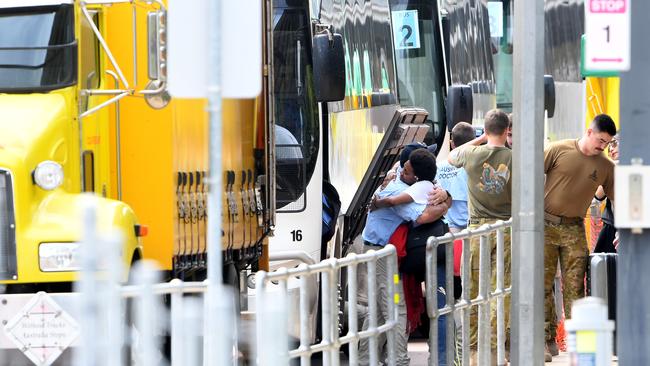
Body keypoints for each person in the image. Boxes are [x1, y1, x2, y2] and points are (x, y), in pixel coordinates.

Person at [359, 148, 450, 366]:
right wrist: (446, 202)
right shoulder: (399, 190)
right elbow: (425, 216)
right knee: (395, 307)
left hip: (385, 253)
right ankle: (399, 360)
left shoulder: (411, 186)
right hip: (382, 255)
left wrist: (446, 195)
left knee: (382, 310)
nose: (401, 173)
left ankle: (365, 359)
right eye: (403, 169)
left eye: (406, 171)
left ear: (416, 177)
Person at [542, 114, 616, 362]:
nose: (603, 146)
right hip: (545, 224)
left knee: (575, 287)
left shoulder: (605, 167)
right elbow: (529, 177)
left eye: (607, 143)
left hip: (574, 228)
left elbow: (617, 199)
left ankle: (578, 346)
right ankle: (545, 339)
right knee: (542, 284)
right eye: (601, 140)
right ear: (589, 132)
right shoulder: (557, 149)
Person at [448, 109, 512, 364]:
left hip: (476, 231)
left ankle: (473, 352)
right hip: (505, 229)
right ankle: (495, 350)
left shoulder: (472, 155)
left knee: (473, 290)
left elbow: (452, 156)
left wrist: (479, 139)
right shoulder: (513, 157)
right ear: (507, 130)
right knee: (501, 290)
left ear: (485, 131)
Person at [436, 122, 475, 233]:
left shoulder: (438, 167)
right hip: (472, 226)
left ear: (452, 144)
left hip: (448, 226)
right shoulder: (476, 166)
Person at [593, 133, 619, 253]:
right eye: (609, 145)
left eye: (614, 144)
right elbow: (598, 195)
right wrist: (610, 170)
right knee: (603, 264)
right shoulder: (610, 167)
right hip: (611, 224)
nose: (611, 149)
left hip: (634, 227)